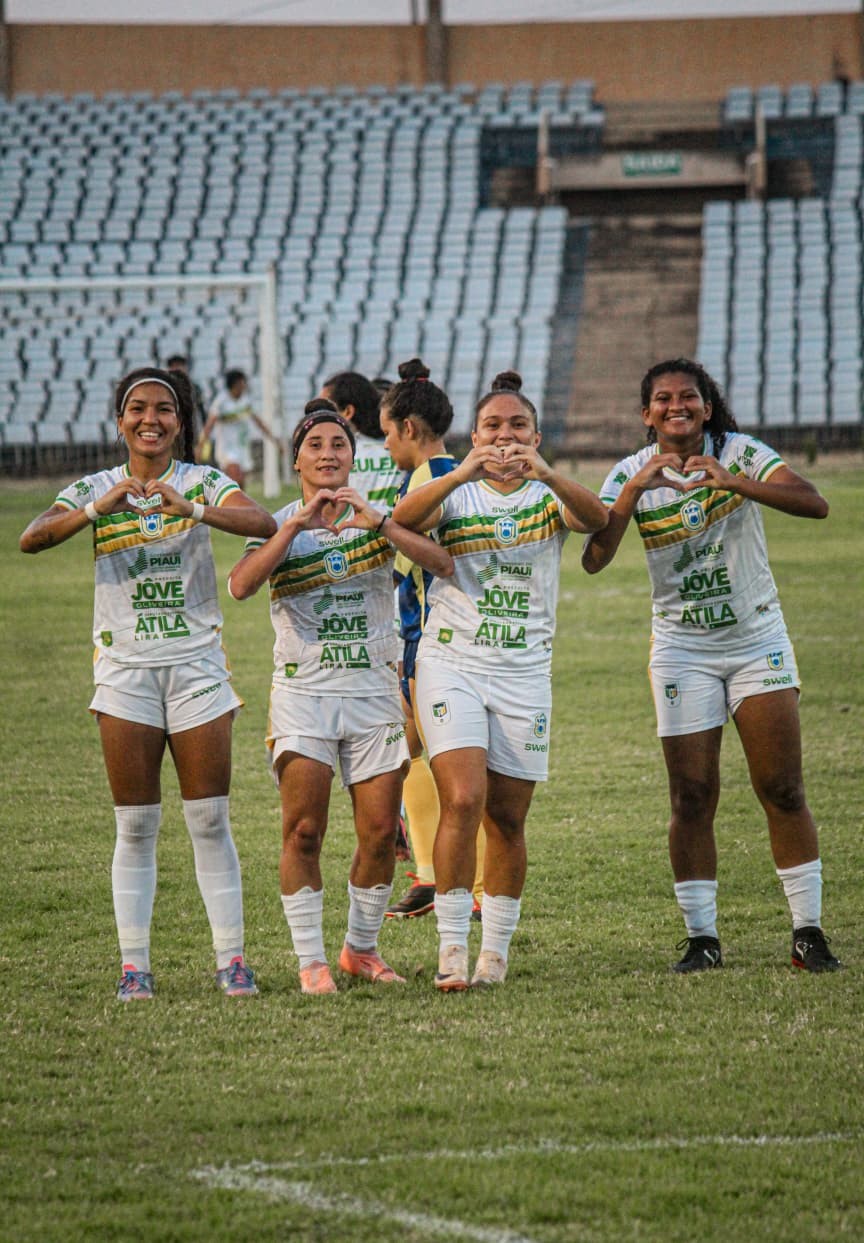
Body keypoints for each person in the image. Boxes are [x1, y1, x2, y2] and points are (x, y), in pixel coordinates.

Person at [19, 367, 277, 1001]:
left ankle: (231, 961)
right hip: (125, 673)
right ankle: (134, 966)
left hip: (196, 669)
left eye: (163, 408)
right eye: (137, 408)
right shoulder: (96, 487)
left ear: (180, 423)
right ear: (119, 421)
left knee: (210, 819)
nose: (150, 419)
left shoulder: (202, 481)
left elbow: (264, 523)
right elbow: (32, 539)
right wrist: (92, 511)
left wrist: (192, 509)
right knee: (134, 825)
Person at [581, 357, 841, 973]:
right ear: (646, 414)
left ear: (707, 405)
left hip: (756, 640)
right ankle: (703, 940)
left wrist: (736, 483)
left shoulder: (741, 452)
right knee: (692, 795)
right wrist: (633, 494)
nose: (677, 406)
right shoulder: (627, 473)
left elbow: (815, 503)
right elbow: (593, 559)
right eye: (663, 399)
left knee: (782, 787)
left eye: (689, 397)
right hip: (682, 650)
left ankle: (808, 932)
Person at [226, 400, 454, 996]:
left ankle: (360, 949)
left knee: (380, 831)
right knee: (304, 831)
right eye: (316, 446)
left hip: (373, 694)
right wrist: (294, 526)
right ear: (296, 458)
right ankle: (310, 960)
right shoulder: (277, 523)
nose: (328, 455)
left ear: (354, 457)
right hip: (304, 694)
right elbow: (242, 585)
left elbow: (443, 564)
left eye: (339, 446)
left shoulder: (375, 518)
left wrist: (379, 524)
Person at [393, 371, 609, 990]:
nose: (505, 437)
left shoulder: (549, 493)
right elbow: (399, 520)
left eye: (518, 426)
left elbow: (596, 519)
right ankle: (452, 950)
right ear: (474, 435)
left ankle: (496, 954)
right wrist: (461, 473)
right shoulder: (452, 487)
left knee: (508, 820)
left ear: (536, 435)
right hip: (451, 663)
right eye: (492, 426)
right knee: (462, 798)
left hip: (523, 674)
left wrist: (545, 473)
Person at [378, 358, 486, 920]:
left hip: (428, 639)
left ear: (409, 430)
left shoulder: (430, 479)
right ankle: (437, 877)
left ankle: (458, 884)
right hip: (430, 638)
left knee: (415, 756)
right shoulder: (438, 472)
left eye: (387, 434)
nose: (387, 446)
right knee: (413, 755)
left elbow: (410, 567)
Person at [318, 370, 402, 509]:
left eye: (325, 408)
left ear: (348, 412)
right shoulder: (403, 447)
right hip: (399, 528)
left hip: (358, 528)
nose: (318, 416)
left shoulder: (338, 455)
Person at [198, 368, 277, 488]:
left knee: (240, 483)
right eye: (242, 382)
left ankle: (237, 505)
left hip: (242, 446)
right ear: (235, 384)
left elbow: (258, 422)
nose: (244, 385)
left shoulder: (246, 400)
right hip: (226, 449)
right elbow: (209, 425)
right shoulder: (221, 402)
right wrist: (200, 446)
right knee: (235, 476)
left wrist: (274, 440)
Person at [166, 353, 207, 451]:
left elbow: (202, 412)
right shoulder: (164, 388)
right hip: (170, 434)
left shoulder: (195, 388)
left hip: (190, 434)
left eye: (180, 365)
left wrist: (204, 435)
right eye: (174, 366)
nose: (178, 369)